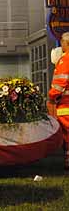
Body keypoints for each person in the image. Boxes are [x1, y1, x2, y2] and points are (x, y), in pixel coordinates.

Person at [48, 32, 69, 170]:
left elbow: (59, 84)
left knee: (67, 133)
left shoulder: (65, 60)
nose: (60, 43)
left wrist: (51, 96)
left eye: (61, 41)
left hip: (66, 104)